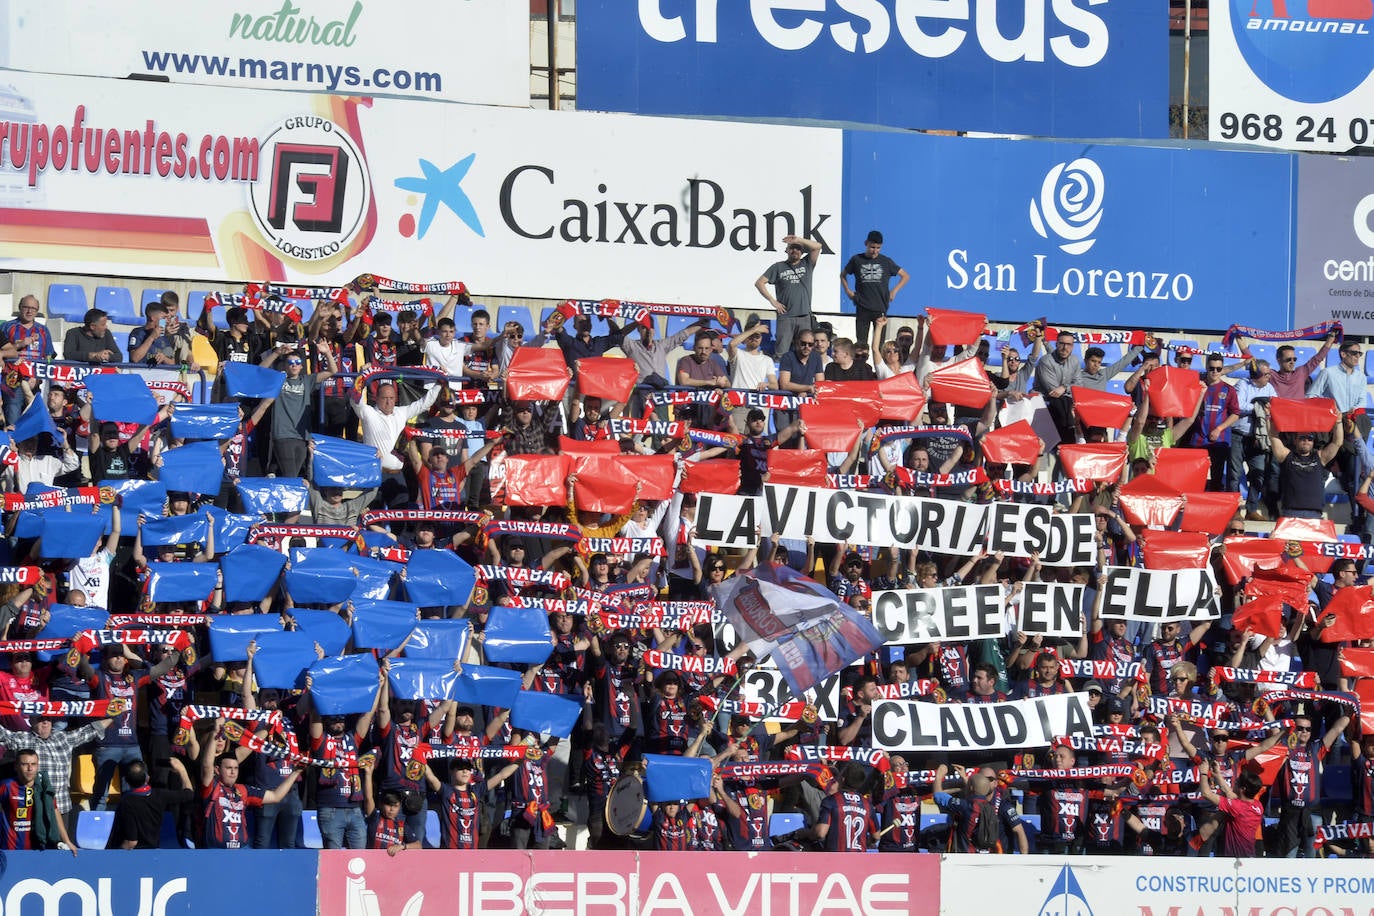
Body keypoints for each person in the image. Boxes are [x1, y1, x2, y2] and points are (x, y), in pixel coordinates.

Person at [107, 757, 196, 849]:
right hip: (152, 850)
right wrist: (182, 770)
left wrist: (113, 855)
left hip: (133, 853)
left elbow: (131, 842)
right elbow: (189, 794)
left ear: (126, 780)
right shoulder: (160, 795)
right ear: (147, 778)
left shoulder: (127, 802)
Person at [755, 234, 822, 355]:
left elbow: (818, 246)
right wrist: (772, 301)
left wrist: (798, 240)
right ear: (787, 250)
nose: (795, 251)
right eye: (792, 248)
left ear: (802, 252)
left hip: (804, 317)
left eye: (798, 248)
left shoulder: (807, 264)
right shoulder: (778, 267)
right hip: (786, 317)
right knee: (782, 352)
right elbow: (759, 283)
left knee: (804, 352)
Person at [841, 230, 909, 348]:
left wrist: (894, 291)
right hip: (862, 306)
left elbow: (905, 276)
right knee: (861, 343)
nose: (875, 251)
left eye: (878, 248)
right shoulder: (857, 259)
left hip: (880, 307)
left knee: (879, 344)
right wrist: (848, 291)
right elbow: (843, 275)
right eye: (872, 247)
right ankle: (861, 366)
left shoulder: (886, 261)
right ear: (866, 243)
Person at [0, 748, 74, 852]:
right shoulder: (6, 786)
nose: (30, 768)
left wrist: (67, 841)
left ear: (37, 766)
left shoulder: (43, 788)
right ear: (16, 767)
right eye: (24, 764)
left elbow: (54, 811)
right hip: (10, 851)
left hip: (37, 851)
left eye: (33, 764)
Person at [1270, 417, 1343, 519]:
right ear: (1295, 441)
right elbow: (1273, 437)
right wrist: (1270, 417)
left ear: (1313, 442)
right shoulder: (1286, 456)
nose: (1306, 441)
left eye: (1310, 439)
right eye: (1302, 438)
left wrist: (1338, 421)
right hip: (1290, 513)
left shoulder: (1320, 457)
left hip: (1314, 514)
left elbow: (1337, 442)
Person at [1, 294, 52, 426]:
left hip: (34, 381)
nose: (29, 311)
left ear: (37, 310)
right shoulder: (7, 327)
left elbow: (49, 356)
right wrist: (21, 344)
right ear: (19, 308)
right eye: (26, 307)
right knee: (13, 419)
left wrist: (38, 377)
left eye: (33, 308)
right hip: (12, 381)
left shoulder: (43, 330)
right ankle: (13, 445)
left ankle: (30, 447)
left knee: (33, 421)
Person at [1197, 766, 1266, 859]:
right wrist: (1218, 776)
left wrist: (1203, 773)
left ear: (1243, 789)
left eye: (1236, 783)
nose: (1233, 785)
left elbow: (1206, 793)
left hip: (1234, 859)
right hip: (1248, 856)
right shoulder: (1258, 806)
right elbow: (1230, 794)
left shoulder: (1236, 806)